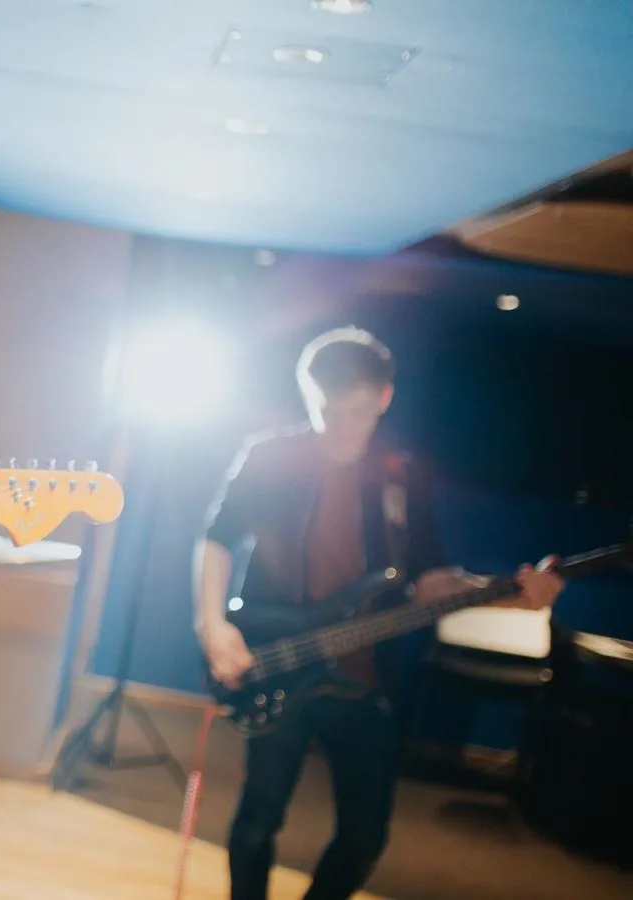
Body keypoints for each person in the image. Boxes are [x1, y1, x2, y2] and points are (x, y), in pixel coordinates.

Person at [194, 326, 563, 900]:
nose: (341, 429)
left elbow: (427, 577)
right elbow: (216, 538)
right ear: (306, 393)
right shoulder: (271, 456)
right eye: (327, 411)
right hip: (281, 658)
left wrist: (507, 591)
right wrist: (211, 624)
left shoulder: (401, 474)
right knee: (256, 823)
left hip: (367, 678)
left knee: (366, 836)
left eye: (358, 412)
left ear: (385, 398)